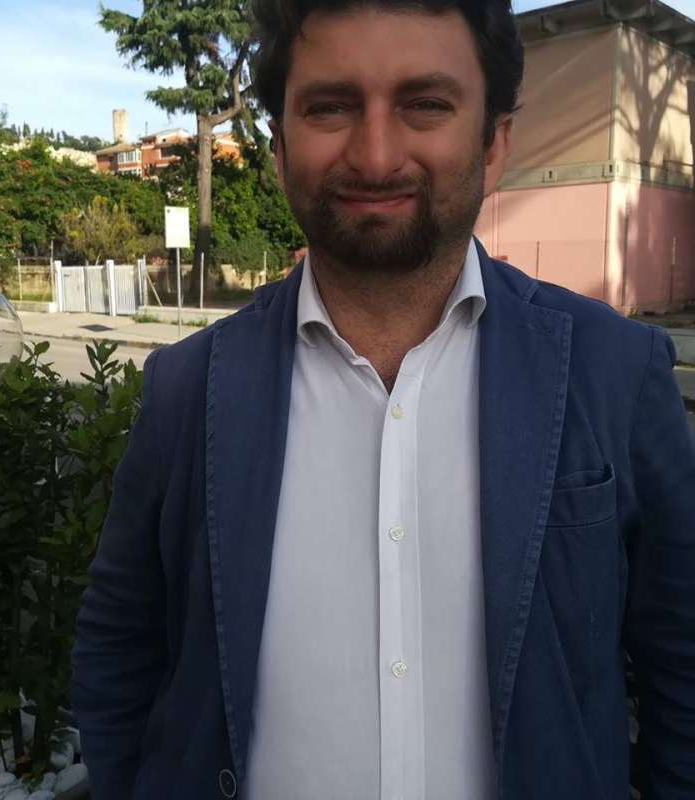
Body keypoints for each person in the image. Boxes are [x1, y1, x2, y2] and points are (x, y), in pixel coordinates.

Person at [71, 0, 695, 797]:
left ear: (495, 141)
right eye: (330, 107)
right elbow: (119, 648)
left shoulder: (617, 372)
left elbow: (683, 667)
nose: (374, 155)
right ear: (279, 147)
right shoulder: (187, 389)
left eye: (425, 103)